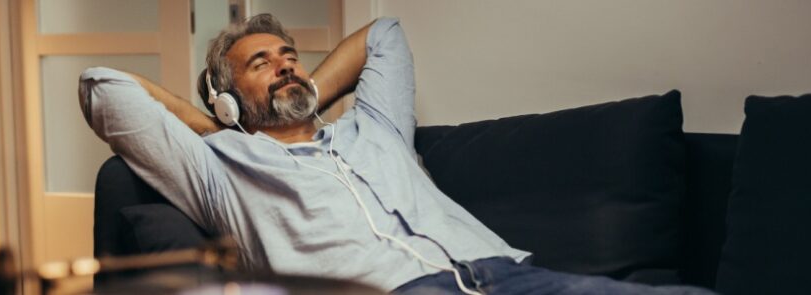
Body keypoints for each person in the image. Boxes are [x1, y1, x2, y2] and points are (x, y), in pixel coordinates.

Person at [79, 13, 713, 295]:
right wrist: (222, 129)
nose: (285, 65)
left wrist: (300, 91)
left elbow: (383, 34)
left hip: (508, 275)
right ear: (225, 94)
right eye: (261, 63)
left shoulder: (374, 130)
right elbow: (100, 87)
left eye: (290, 56)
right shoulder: (221, 170)